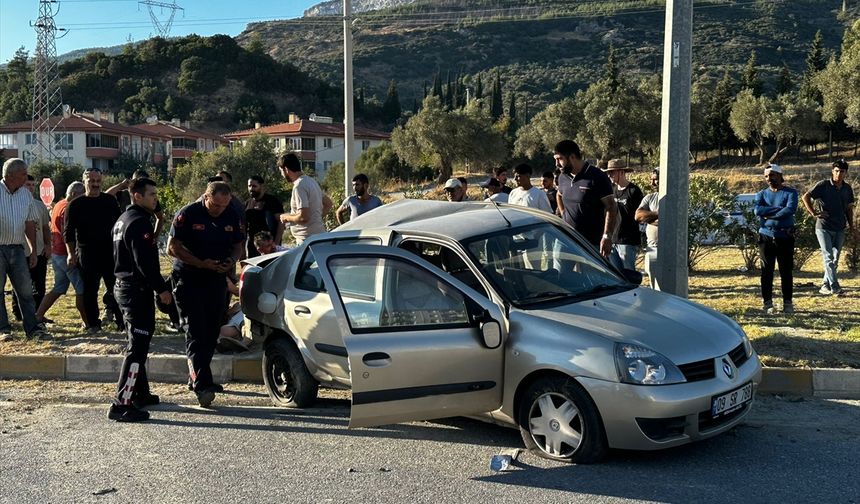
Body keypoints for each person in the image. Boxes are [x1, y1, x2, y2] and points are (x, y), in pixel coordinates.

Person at [168, 181, 243, 407]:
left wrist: (231, 260)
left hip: (216, 278)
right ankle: (201, 385)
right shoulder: (189, 214)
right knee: (196, 330)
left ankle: (201, 377)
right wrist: (200, 263)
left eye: (224, 205)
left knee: (212, 331)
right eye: (216, 205)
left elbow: (239, 244)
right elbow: (172, 247)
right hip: (189, 278)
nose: (220, 210)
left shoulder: (231, 214)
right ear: (206, 197)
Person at [108, 177, 173, 423]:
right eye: (151, 194)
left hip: (125, 287)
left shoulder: (125, 218)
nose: (156, 198)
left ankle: (140, 393)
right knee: (137, 346)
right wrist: (161, 289)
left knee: (139, 341)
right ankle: (122, 403)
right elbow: (144, 263)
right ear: (137, 196)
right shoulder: (137, 222)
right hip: (135, 289)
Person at [64, 167, 123, 333]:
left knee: (116, 288)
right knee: (90, 290)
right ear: (85, 182)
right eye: (92, 181)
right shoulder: (75, 204)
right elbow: (68, 232)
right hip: (87, 253)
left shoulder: (110, 201)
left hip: (110, 253)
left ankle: (122, 323)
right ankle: (93, 324)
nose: (95, 184)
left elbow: (120, 225)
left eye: (98, 181)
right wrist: (70, 253)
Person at [0, 158, 51, 341]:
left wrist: (33, 249)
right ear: (11, 175)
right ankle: (4, 330)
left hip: (18, 248)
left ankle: (32, 329)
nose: (26, 177)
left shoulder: (25, 195)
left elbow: (29, 223)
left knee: (26, 291)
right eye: (23, 173)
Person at [553, 140, 618, 257]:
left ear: (572, 157)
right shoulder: (562, 177)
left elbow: (611, 206)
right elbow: (559, 194)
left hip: (591, 243)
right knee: (560, 274)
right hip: (566, 238)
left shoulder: (597, 176)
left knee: (590, 275)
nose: (556, 163)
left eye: (560, 159)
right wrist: (563, 213)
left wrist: (607, 236)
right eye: (555, 159)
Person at [35, 182, 87, 325]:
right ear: (74, 194)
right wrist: (72, 253)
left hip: (57, 253)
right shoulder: (68, 209)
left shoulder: (59, 204)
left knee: (58, 288)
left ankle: (38, 315)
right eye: (82, 195)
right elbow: (68, 232)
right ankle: (87, 322)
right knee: (81, 288)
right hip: (65, 254)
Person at [801, 159, 855, 295]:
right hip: (824, 227)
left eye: (842, 171)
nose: (839, 174)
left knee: (835, 258)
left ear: (846, 173)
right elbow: (806, 196)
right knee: (828, 257)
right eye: (836, 171)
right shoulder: (823, 185)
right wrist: (814, 213)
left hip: (840, 227)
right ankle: (835, 286)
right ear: (832, 171)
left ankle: (825, 284)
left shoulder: (847, 188)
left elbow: (849, 208)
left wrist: (852, 226)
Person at [754, 164, 798, 314]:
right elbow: (757, 210)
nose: (769, 178)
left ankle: (787, 303)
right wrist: (779, 209)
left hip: (785, 236)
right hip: (765, 235)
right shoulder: (761, 194)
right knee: (767, 271)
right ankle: (767, 303)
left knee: (786, 271)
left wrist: (769, 214)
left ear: (780, 175)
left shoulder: (791, 193)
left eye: (772, 175)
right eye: (766, 176)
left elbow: (790, 210)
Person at [12, 175, 52, 321]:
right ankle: (19, 314)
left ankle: (37, 314)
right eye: (27, 184)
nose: (30, 188)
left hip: (40, 250)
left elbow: (45, 227)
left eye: (32, 185)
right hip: (21, 250)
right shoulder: (14, 204)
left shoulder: (39, 205)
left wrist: (48, 245)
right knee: (21, 285)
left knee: (39, 285)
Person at [277, 153, 332, 244]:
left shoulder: (299, 186)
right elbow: (328, 203)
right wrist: (316, 219)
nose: (282, 175)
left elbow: (303, 217)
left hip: (307, 240)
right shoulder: (311, 181)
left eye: (281, 172)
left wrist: (286, 217)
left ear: (286, 169)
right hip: (318, 235)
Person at [604, 159, 644, 271]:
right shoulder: (611, 190)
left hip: (628, 240)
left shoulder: (634, 191)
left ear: (621, 172)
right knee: (616, 274)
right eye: (608, 172)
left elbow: (639, 215)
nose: (609, 175)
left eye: (612, 172)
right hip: (612, 239)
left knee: (628, 273)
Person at [107, 169, 167, 237]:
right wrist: (121, 185)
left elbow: (160, 217)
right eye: (137, 181)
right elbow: (105, 197)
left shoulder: (150, 200)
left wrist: (155, 236)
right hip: (123, 231)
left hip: (142, 231)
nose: (140, 183)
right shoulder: (123, 194)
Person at [245, 175, 284, 258]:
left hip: (269, 246)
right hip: (253, 246)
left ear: (262, 186)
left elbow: (281, 222)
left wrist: (276, 244)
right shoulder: (247, 203)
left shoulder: (272, 201)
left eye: (254, 186)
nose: (251, 189)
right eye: (249, 186)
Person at [635, 168, 660, 289]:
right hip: (652, 248)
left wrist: (649, 217)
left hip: (671, 250)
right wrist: (657, 214)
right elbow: (638, 216)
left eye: (655, 180)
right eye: (652, 180)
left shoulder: (675, 197)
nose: (652, 183)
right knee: (653, 283)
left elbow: (673, 219)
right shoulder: (650, 198)